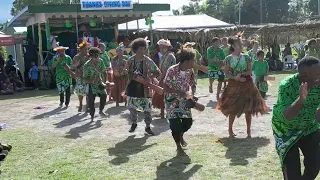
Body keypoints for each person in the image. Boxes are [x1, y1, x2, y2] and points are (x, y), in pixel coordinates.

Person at [272, 56, 320, 180]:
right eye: (318, 73)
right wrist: (301, 100)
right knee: (292, 173)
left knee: (314, 166)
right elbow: (288, 116)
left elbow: (318, 116)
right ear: (305, 75)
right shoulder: (287, 85)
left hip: (309, 127)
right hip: (286, 130)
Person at [217, 36, 268, 138]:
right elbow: (226, 74)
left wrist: (241, 75)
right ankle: (230, 130)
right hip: (234, 85)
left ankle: (248, 131)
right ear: (234, 46)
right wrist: (235, 78)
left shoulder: (246, 57)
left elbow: (249, 71)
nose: (241, 46)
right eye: (239, 44)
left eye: (241, 44)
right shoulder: (228, 59)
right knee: (232, 109)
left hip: (247, 84)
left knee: (248, 109)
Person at [163, 47, 196, 155]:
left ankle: (181, 134)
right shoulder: (172, 70)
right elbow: (165, 87)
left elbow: (192, 84)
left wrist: (192, 95)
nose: (194, 63)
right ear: (186, 61)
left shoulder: (190, 71)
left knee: (188, 123)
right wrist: (178, 92)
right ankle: (178, 145)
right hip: (171, 102)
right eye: (192, 61)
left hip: (185, 101)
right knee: (175, 125)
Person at [126, 38, 161, 135]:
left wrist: (149, 77)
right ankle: (134, 123)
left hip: (145, 88)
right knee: (131, 107)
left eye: (144, 48)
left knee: (147, 109)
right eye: (140, 49)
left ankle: (148, 127)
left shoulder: (148, 60)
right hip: (132, 86)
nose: (142, 51)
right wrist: (125, 73)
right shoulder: (130, 60)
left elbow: (157, 72)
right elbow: (125, 72)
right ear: (135, 49)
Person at [152, 39, 176, 119]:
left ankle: (168, 113)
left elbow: (168, 69)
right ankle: (162, 113)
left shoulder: (170, 56)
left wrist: (161, 76)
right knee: (161, 96)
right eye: (160, 47)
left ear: (167, 48)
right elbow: (161, 68)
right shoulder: (163, 56)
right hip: (163, 78)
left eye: (163, 48)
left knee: (166, 96)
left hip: (169, 79)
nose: (161, 49)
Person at [83, 47, 108, 121]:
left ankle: (101, 110)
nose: (97, 57)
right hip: (91, 85)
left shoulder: (101, 61)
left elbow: (104, 72)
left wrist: (105, 81)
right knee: (91, 101)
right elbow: (84, 78)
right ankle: (92, 115)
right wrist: (91, 81)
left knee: (104, 95)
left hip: (99, 82)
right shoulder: (86, 65)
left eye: (98, 55)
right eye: (96, 55)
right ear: (91, 56)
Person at [71, 42, 90, 112]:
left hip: (88, 76)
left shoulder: (89, 56)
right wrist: (76, 65)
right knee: (80, 92)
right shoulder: (76, 57)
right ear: (81, 50)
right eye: (85, 49)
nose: (86, 51)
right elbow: (71, 67)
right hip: (80, 77)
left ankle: (88, 106)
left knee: (88, 92)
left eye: (87, 49)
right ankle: (81, 104)